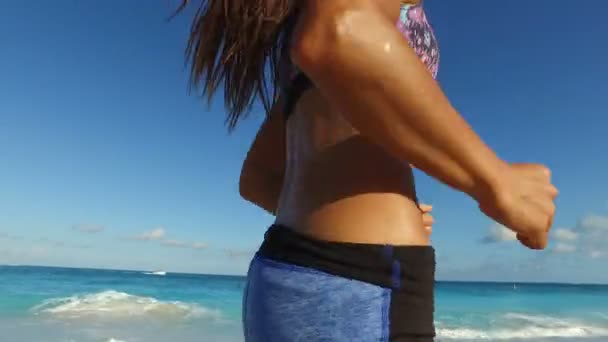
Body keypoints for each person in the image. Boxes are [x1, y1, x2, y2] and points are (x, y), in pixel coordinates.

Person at [178, 0, 558, 340]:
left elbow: (257, 179)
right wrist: (496, 181)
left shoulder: (306, 39)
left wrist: (369, 208)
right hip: (360, 286)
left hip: (286, 274)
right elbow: (338, 33)